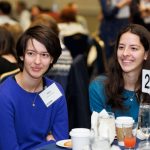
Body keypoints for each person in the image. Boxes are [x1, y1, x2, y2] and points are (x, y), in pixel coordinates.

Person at [0, 25, 69, 150]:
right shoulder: (5, 96)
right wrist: (48, 144)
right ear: (22, 55)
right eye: (31, 53)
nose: (37, 61)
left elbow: (62, 145)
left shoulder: (55, 90)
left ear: (52, 59)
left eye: (44, 55)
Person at [89, 24, 150, 122]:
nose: (125, 53)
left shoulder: (147, 87)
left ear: (146, 54)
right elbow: (102, 134)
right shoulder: (99, 87)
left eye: (133, 48)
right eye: (121, 47)